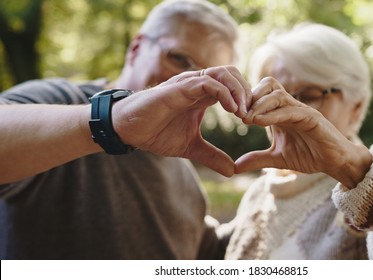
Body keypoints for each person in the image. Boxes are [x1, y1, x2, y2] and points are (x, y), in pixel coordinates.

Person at [0, 0, 251, 259]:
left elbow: (209, 254)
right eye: (179, 59)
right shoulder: (59, 99)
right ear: (136, 48)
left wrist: (283, 189)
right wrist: (112, 121)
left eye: (209, 81)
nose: (190, 83)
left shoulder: (184, 172)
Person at [225, 23, 373, 259]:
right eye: (271, 97)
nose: (288, 108)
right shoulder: (261, 191)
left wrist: (359, 174)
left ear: (356, 107)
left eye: (309, 95)